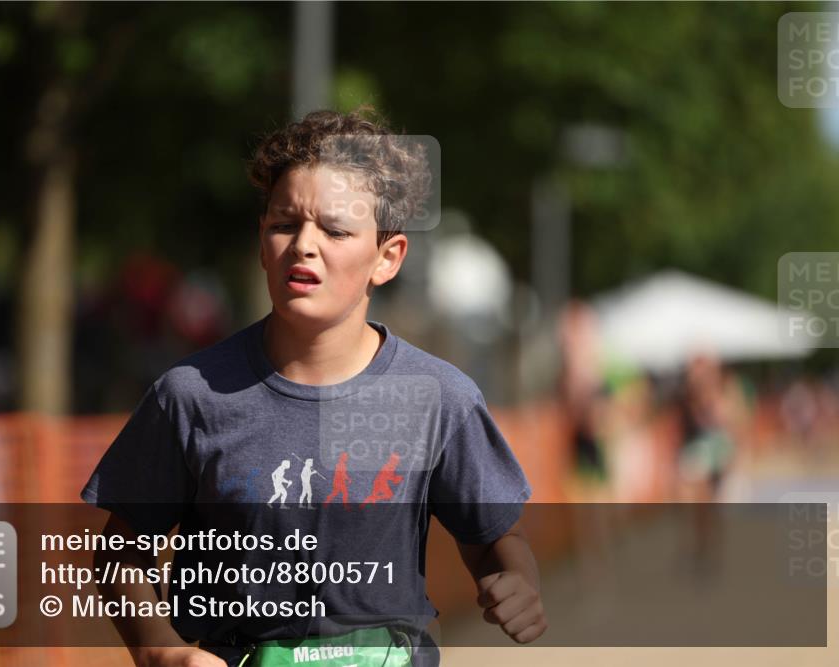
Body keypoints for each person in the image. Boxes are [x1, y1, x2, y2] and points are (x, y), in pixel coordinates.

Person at [81, 108, 546, 667]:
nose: (304, 244)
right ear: (262, 240)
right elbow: (119, 552)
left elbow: (495, 538)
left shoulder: (437, 397)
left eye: (335, 230)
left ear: (387, 258)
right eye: (285, 224)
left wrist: (516, 580)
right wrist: (162, 652)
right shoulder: (191, 396)